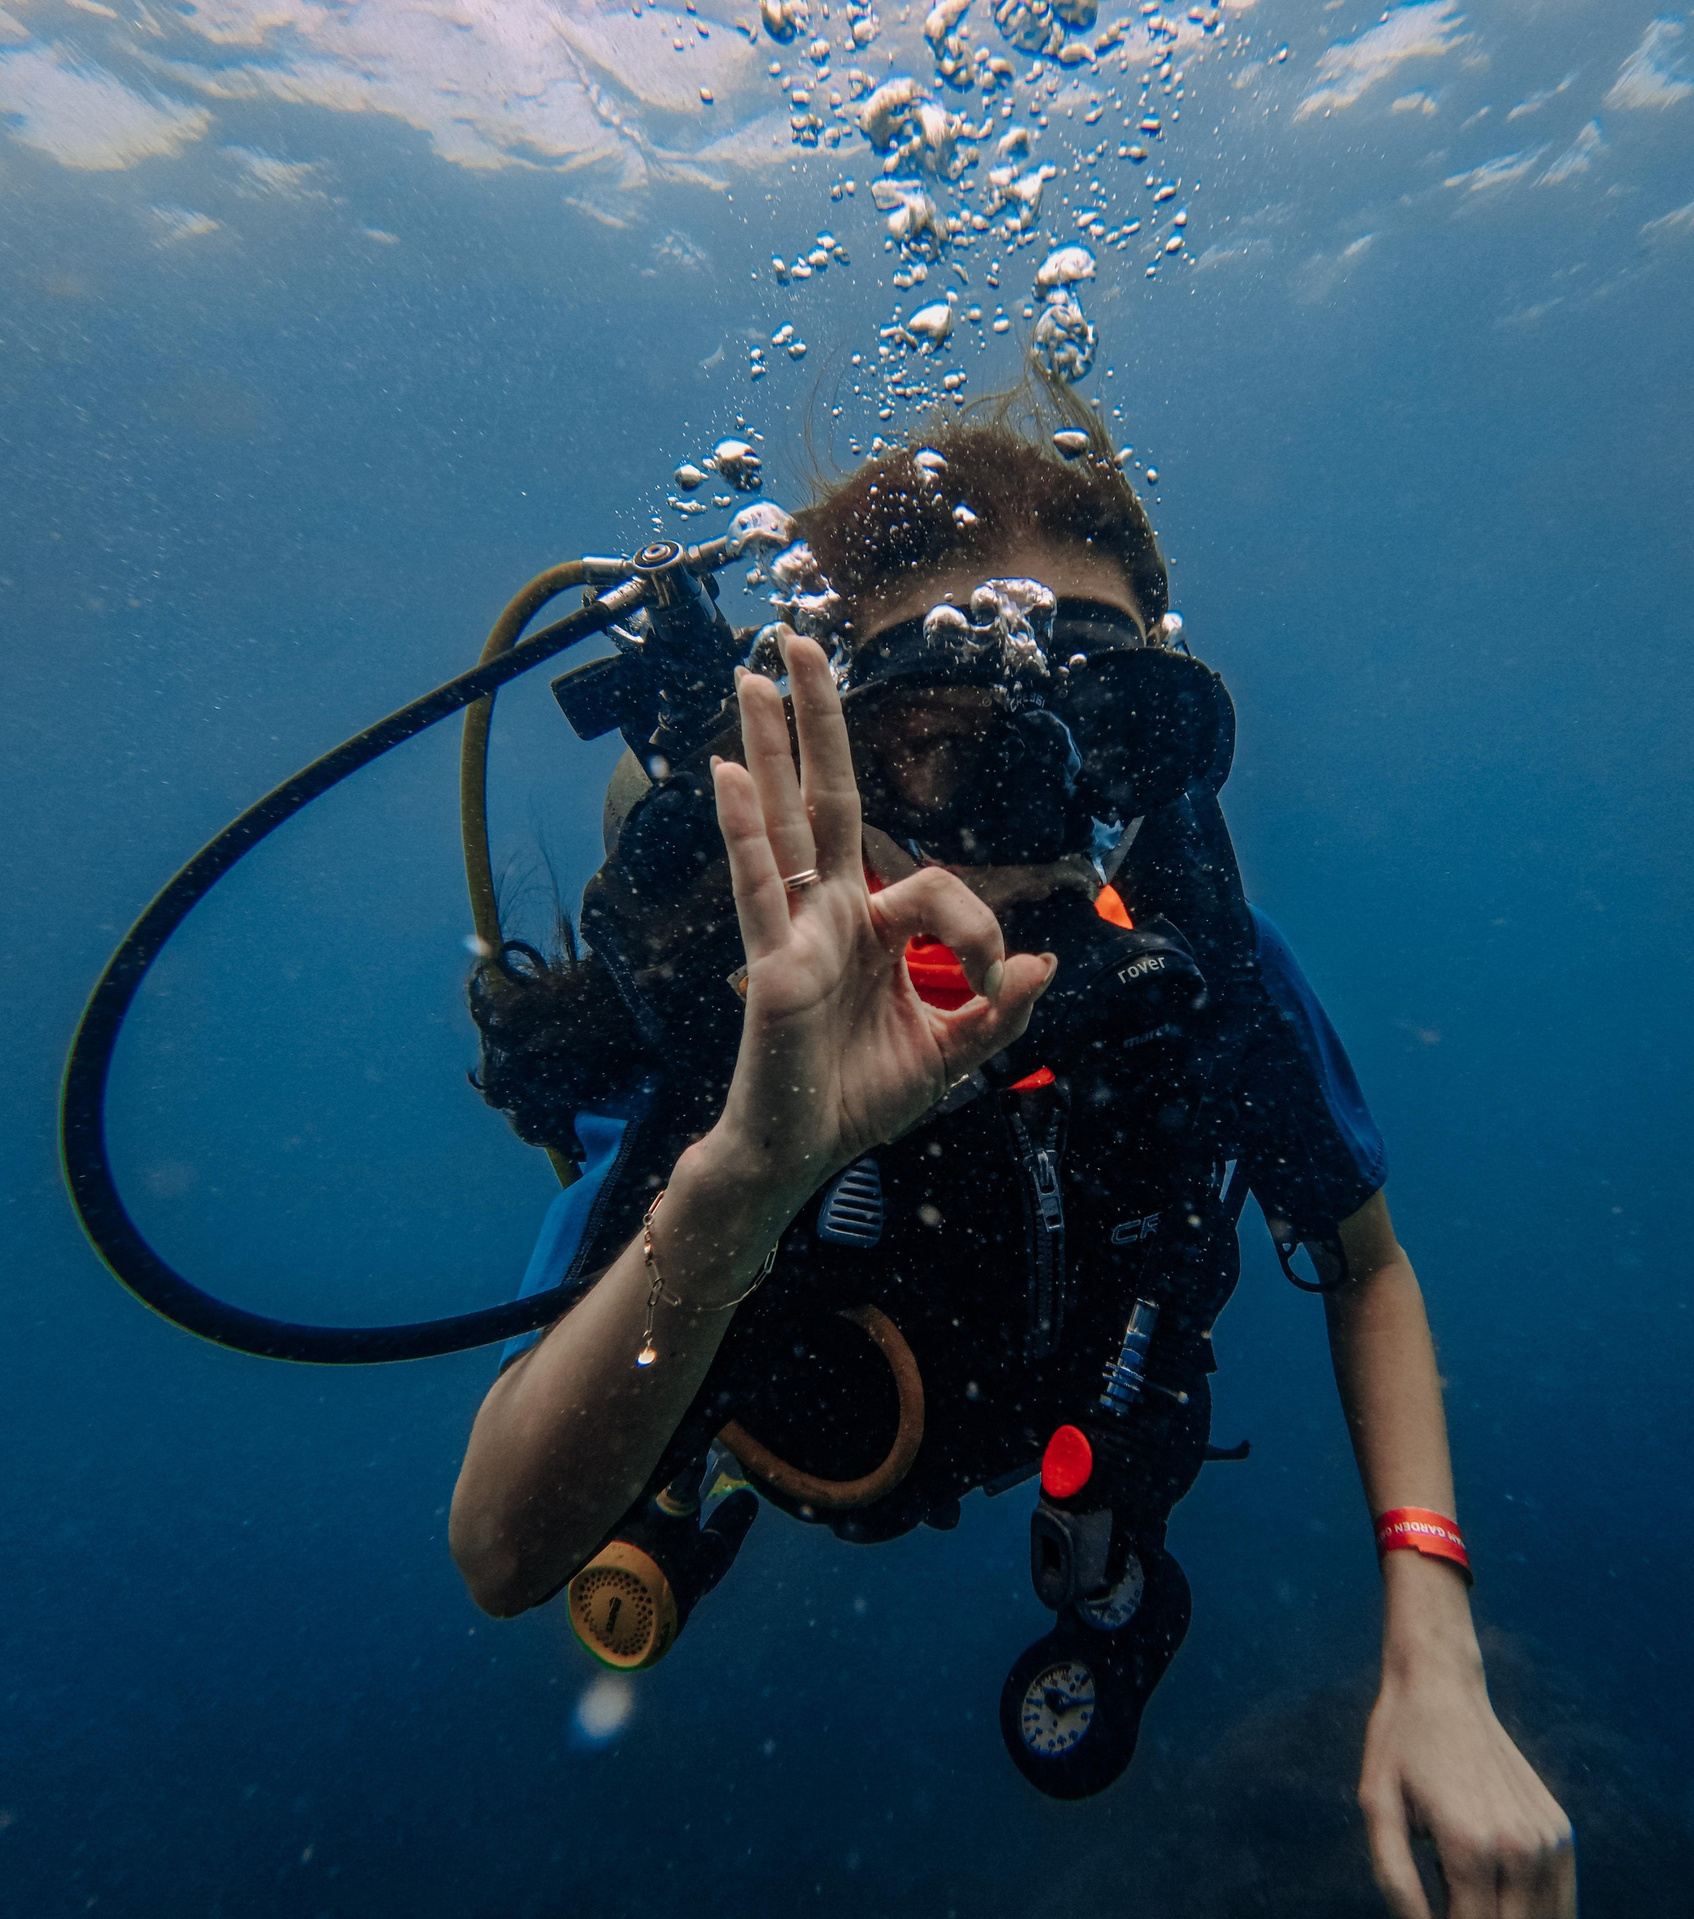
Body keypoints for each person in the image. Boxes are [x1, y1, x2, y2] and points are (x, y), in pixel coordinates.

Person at [448, 398, 1576, 1916]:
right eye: (946, 743)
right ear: (844, 753)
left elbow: (1367, 1266)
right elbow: (505, 1551)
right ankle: (695, 1477)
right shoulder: (740, 1034)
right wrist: (740, 1181)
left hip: (1079, 1444)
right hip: (786, 1402)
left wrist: (1435, 1654)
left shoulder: (1210, 975)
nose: (1035, 816)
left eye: (1099, 727)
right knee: (663, 1466)